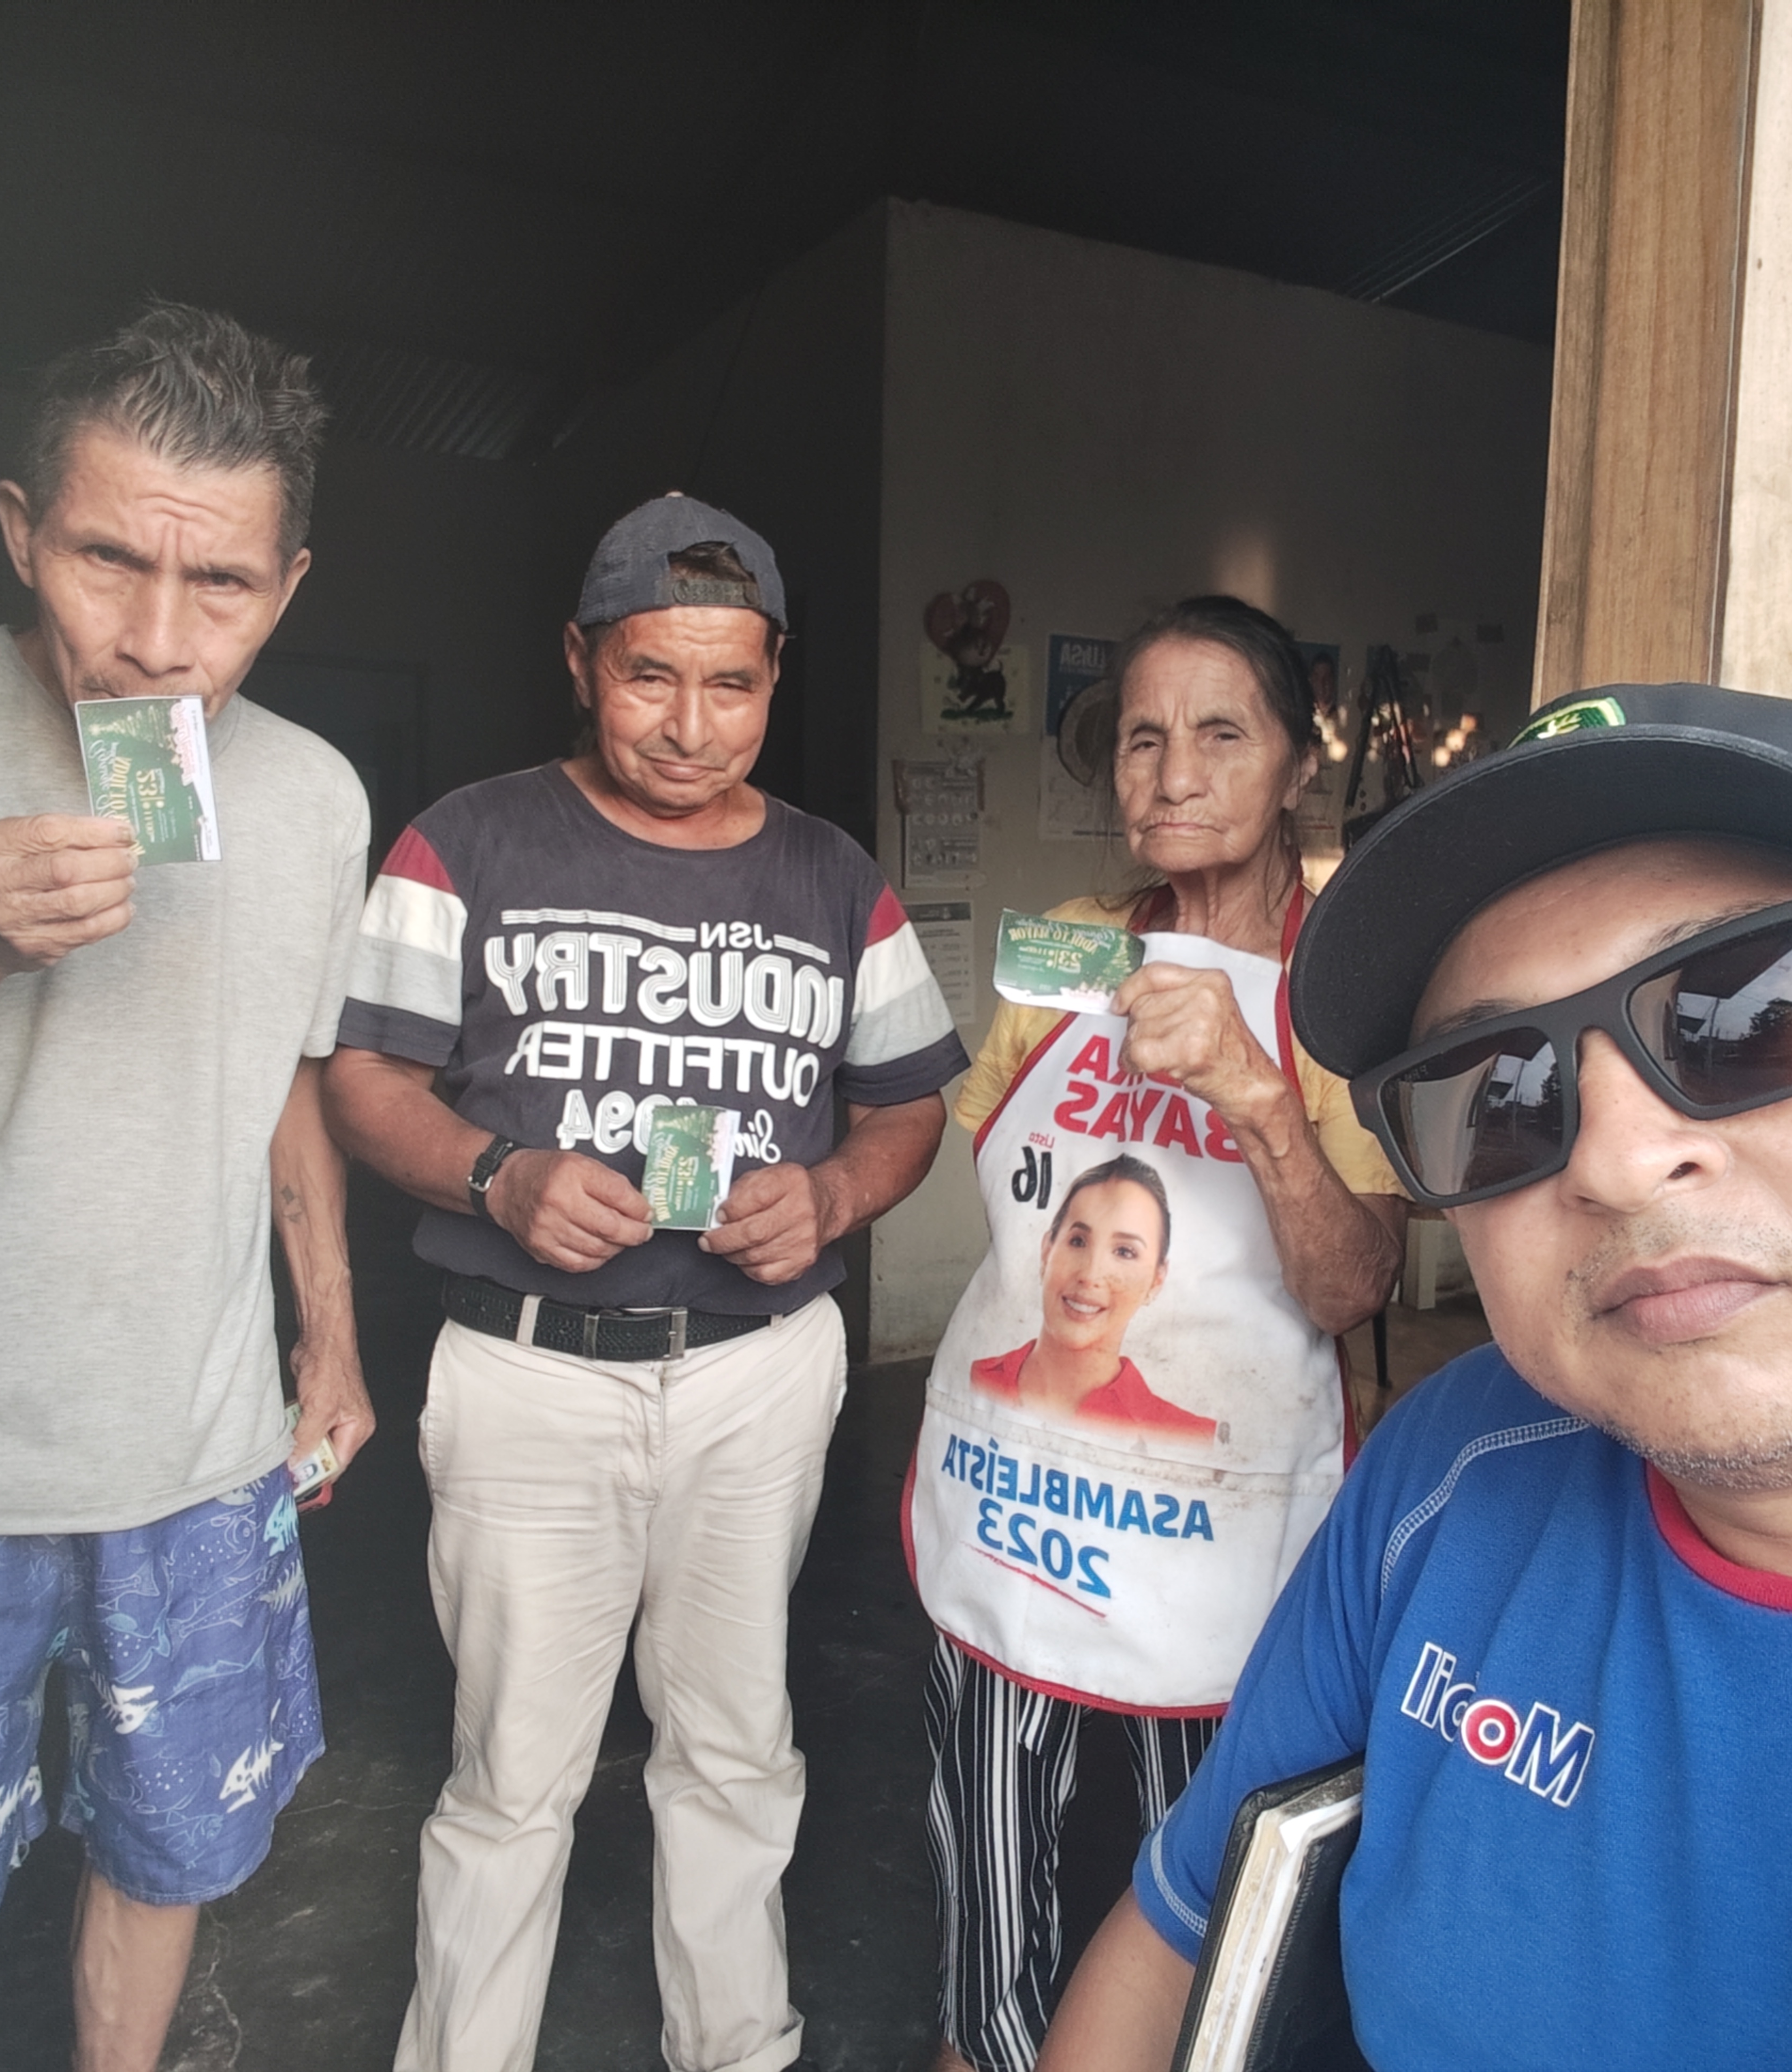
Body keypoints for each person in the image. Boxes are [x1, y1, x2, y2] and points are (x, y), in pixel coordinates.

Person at [1041, 683, 1792, 2070]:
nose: (1618, 1159)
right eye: (1497, 1095)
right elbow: (1181, 1937)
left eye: (1749, 1017)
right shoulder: (1459, 1465)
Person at [322, 492, 968, 2072]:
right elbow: (362, 1080)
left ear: (773, 677)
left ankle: (735, 2048)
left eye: (731, 685)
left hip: (755, 1374)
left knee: (736, 1748)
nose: (690, 726)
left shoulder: (834, 878)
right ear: (579, 662)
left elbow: (909, 1103)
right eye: (649, 678)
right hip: (527, 1371)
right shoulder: (463, 842)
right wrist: (498, 1175)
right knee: (509, 1776)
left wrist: (831, 1192)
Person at [0, 303, 374, 2072]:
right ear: (19, 530)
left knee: (168, 1854)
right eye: (105, 560)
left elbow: (284, 1080)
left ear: (287, 586)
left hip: (197, 1456)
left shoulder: (314, 796)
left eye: (220, 585)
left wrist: (331, 1336)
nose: (157, 639)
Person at [905, 597, 1408, 2072]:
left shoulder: (1347, 993)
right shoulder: (1064, 949)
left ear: (1298, 764)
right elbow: (1004, 1188)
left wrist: (1254, 1093)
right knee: (988, 1887)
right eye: (1142, 738)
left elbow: (1352, 1286)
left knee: (1211, 1901)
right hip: (1020, 1501)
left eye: (1220, 734)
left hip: (1221, 1533)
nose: (1173, 773)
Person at [969, 1154, 1215, 1442]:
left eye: (1125, 1252)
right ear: (1047, 1251)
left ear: (1156, 1281)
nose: (1090, 1274)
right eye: (1078, 1241)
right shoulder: (972, 1377)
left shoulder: (1190, 1437)